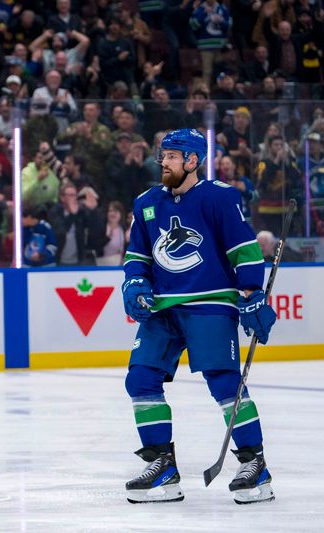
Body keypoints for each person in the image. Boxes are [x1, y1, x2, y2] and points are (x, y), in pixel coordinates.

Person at [121, 128, 277, 505]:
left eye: (172, 156)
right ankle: (162, 465)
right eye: (163, 156)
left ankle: (255, 464)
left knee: (224, 382)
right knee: (140, 378)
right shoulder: (146, 203)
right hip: (162, 306)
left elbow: (243, 249)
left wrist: (253, 293)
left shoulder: (219, 197)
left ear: (192, 160)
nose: (164, 162)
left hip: (209, 302)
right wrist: (133, 284)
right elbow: (137, 257)